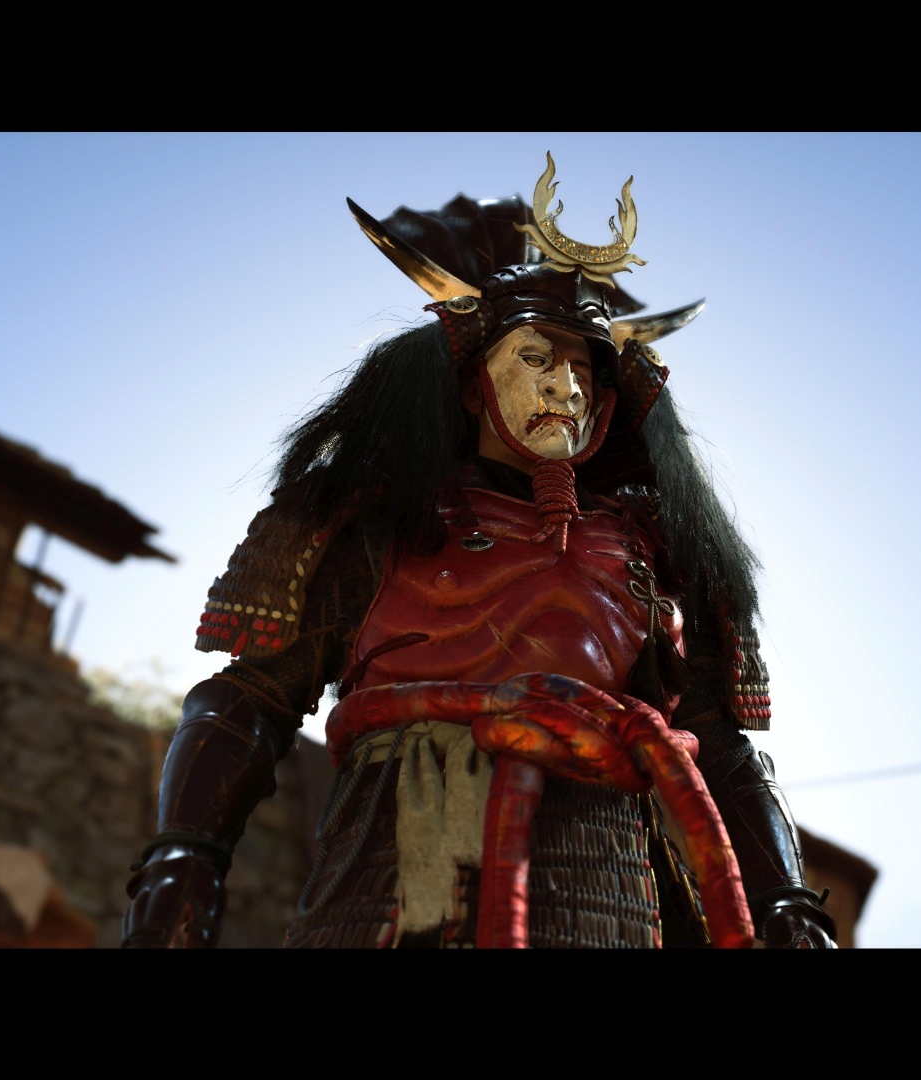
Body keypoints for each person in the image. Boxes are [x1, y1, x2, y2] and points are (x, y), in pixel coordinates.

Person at [121, 155, 835, 949]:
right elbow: (253, 697)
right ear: (473, 386)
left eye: (584, 370)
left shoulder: (652, 554)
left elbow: (724, 753)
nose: (567, 388)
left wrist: (789, 904)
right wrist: (184, 857)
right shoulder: (381, 519)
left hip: (611, 892)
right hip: (394, 881)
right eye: (537, 357)